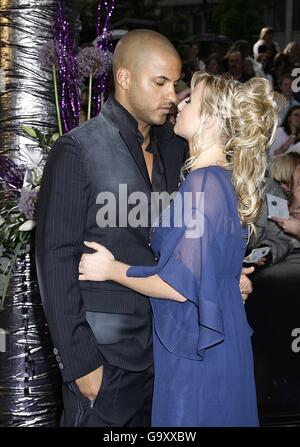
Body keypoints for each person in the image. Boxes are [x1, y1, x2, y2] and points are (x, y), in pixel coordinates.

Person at [36, 29, 253, 428]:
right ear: (124, 78)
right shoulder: (79, 149)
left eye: (176, 83)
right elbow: (54, 260)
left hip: (171, 359)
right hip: (107, 361)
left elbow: (191, 238)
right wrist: (80, 363)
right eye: (160, 83)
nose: (173, 95)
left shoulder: (178, 148)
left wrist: (220, 273)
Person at [78, 73, 279, 426]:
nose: (180, 103)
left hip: (196, 349)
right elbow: (211, 266)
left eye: (191, 100)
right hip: (206, 339)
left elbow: (175, 285)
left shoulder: (204, 184)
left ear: (212, 119)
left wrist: (110, 269)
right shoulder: (217, 180)